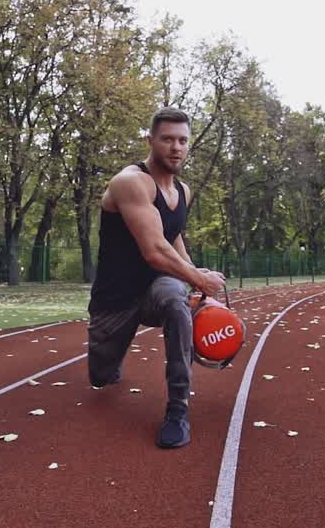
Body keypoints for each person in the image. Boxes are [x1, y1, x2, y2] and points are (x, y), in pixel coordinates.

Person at [86, 107, 226, 449]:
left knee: (176, 304)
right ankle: (110, 360)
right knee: (101, 378)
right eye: (167, 139)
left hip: (155, 287)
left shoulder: (184, 191)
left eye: (182, 140)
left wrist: (194, 278)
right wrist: (199, 277)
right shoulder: (130, 183)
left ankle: (178, 408)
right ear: (151, 141)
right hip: (115, 298)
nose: (176, 147)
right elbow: (154, 249)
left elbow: (172, 237)